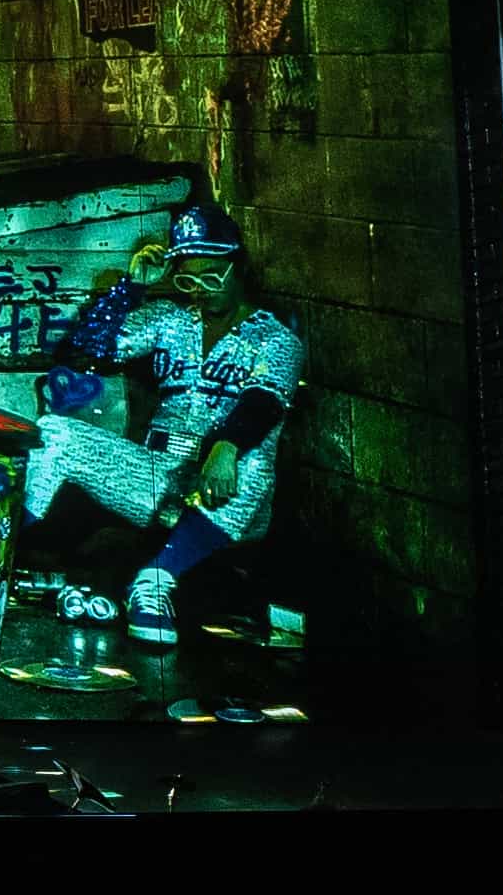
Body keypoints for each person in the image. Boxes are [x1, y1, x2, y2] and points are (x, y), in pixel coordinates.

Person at [26, 200, 302, 642]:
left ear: (238, 268)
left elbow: (263, 402)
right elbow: (87, 351)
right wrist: (132, 287)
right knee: (53, 433)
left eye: (212, 276)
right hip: (158, 477)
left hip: (226, 492)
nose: (201, 290)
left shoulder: (275, 338)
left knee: (251, 457)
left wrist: (226, 447)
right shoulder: (172, 320)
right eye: (189, 279)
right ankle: (2, 551)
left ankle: (154, 584)